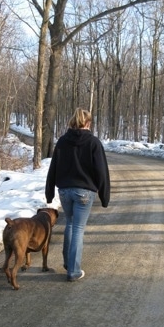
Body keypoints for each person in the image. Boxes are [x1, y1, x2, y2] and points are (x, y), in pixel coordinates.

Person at [45, 107, 110, 282]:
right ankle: (73, 271)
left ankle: (69, 263)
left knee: (71, 224)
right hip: (84, 192)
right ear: (88, 123)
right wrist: (104, 196)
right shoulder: (93, 142)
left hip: (65, 191)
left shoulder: (62, 141)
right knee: (78, 229)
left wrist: (49, 192)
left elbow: (53, 168)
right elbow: (101, 171)